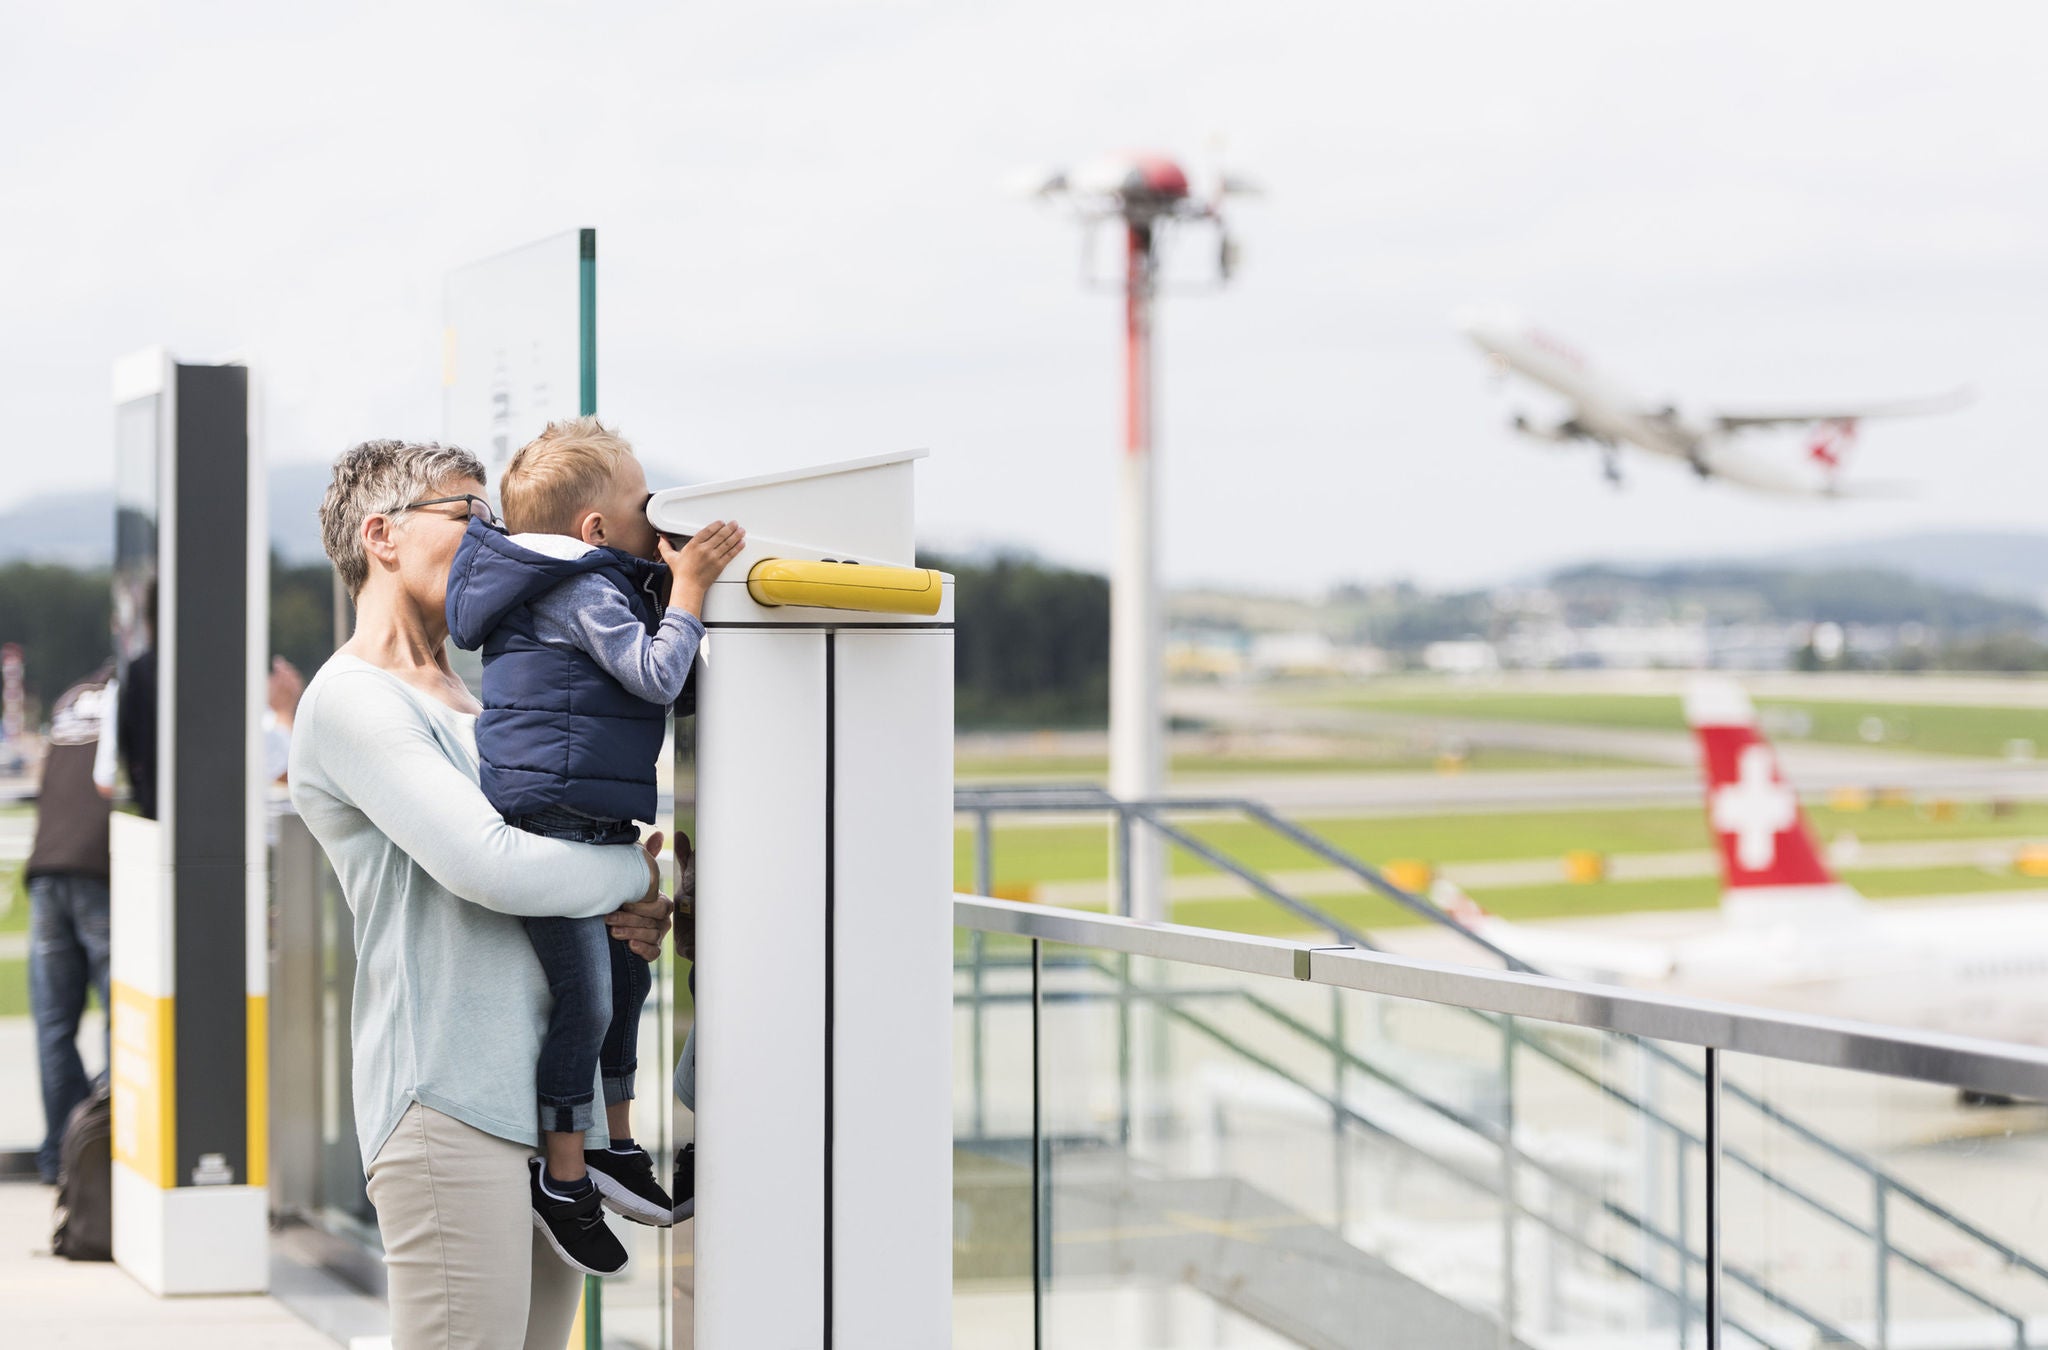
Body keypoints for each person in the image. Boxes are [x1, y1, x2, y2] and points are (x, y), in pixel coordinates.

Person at [289, 438, 674, 1350]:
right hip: (450, 1103)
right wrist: (641, 874)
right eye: (469, 516)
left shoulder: (479, 699)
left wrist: (633, 914)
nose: (496, 540)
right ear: (382, 536)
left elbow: (557, 863)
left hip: (551, 1112)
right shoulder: (353, 701)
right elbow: (492, 867)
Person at [444, 416, 742, 1273]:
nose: (658, 519)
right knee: (589, 999)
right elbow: (658, 674)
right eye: (644, 504)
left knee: (628, 975)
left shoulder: (582, 584)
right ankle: (565, 1172)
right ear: (594, 530)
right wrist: (687, 591)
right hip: (555, 820)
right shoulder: (580, 592)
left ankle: (614, 1143)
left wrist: (666, 584)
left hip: (586, 817)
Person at [24, 664, 115, 1185]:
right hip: (100, 868)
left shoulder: (68, 698)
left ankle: (60, 1154)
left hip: (46, 869)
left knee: (54, 1025)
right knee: (120, 1016)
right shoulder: (143, 693)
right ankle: (106, 1149)